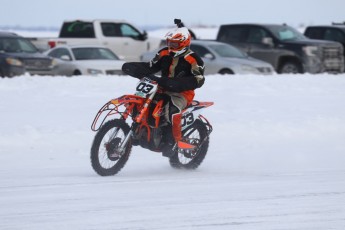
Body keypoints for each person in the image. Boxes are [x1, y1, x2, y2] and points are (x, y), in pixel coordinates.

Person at [122, 19, 205, 153]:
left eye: (174, 43)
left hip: (182, 93)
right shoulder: (164, 53)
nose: (170, 45)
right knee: (142, 103)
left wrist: (175, 84)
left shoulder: (193, 59)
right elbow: (150, 67)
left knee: (172, 109)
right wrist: (133, 67)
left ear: (183, 43)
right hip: (161, 87)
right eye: (169, 42)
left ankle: (174, 141)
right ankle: (140, 130)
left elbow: (199, 79)